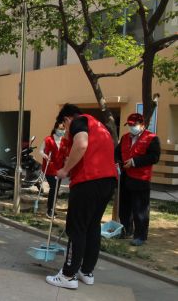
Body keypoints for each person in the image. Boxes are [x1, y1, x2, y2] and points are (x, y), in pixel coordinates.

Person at [46, 104, 117, 289]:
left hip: (88, 181)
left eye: (64, 125)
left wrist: (65, 169)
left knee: (76, 228)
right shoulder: (99, 126)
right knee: (92, 226)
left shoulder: (79, 121)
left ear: (67, 119)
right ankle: (86, 272)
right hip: (107, 182)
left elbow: (82, 144)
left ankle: (68, 275)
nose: (66, 130)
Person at [115, 113, 160, 246]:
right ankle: (126, 230)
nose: (131, 127)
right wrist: (117, 162)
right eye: (129, 125)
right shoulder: (124, 138)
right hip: (125, 177)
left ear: (142, 125)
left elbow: (154, 157)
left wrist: (134, 162)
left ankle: (140, 235)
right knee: (124, 207)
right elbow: (117, 153)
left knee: (140, 209)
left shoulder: (152, 138)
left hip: (141, 178)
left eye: (133, 125)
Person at [39, 121, 66, 217]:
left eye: (63, 129)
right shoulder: (48, 139)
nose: (62, 131)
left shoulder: (64, 141)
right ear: (55, 129)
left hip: (60, 169)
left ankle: (52, 208)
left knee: (56, 189)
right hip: (50, 168)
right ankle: (49, 210)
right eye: (60, 129)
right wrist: (45, 155)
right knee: (53, 188)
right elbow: (41, 150)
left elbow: (65, 154)